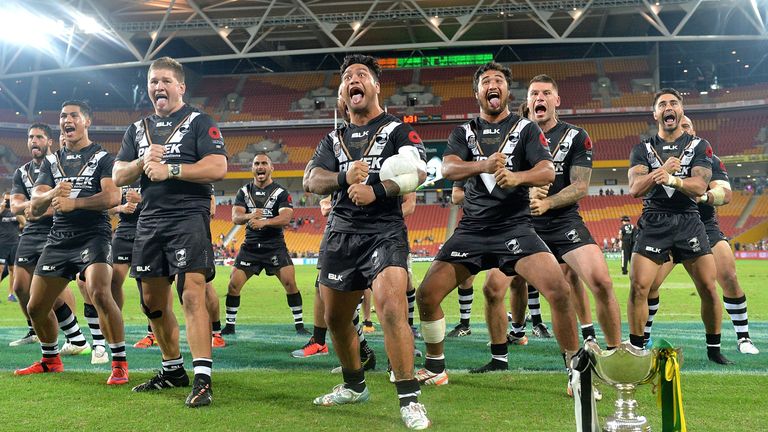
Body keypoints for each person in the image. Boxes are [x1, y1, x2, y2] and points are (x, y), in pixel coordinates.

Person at [415, 62, 580, 382]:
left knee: (559, 290)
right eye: (486, 81)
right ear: (476, 92)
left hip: (515, 228)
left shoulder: (526, 129)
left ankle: (575, 370)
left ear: (507, 91)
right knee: (427, 295)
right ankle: (436, 368)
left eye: (499, 81)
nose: (493, 85)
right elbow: (447, 170)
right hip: (472, 229)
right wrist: (484, 165)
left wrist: (516, 177)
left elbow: (547, 171)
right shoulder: (464, 131)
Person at [303, 54, 430, 430]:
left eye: (361, 75)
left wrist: (377, 190)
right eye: (346, 77)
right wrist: (344, 177)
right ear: (343, 92)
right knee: (336, 317)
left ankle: (409, 398)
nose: (352, 80)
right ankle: (354, 385)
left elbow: (418, 171)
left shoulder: (397, 130)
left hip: (384, 229)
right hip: (340, 233)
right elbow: (311, 180)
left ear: (376, 86)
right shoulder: (333, 138)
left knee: (391, 305)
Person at [113, 56, 227, 407]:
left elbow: (218, 166)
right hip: (148, 221)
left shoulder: (198, 121)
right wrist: (141, 162)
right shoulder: (137, 129)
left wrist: (171, 168)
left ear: (181, 87)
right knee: (152, 303)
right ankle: (173, 369)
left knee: (192, 295)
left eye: (165, 81)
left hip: (187, 216)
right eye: (153, 82)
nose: (158, 87)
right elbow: (118, 175)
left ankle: (203, 379)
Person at [15, 101, 126, 384]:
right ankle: (51, 360)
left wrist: (73, 203)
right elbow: (36, 206)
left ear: (86, 121)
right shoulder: (52, 163)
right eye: (63, 116)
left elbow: (112, 198)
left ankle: (119, 362)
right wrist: (52, 192)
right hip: (58, 238)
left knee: (100, 292)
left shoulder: (103, 157)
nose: (67, 120)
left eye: (74, 115)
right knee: (36, 307)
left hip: (94, 234)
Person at [627, 88, 731, 365]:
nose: (668, 107)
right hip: (654, 219)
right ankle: (637, 349)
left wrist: (672, 179)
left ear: (681, 110)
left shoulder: (699, 146)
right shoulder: (642, 149)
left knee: (708, 287)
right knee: (639, 286)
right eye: (662, 104)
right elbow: (635, 188)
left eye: (674, 103)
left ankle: (714, 349)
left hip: (689, 220)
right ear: (655, 114)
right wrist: (659, 173)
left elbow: (699, 186)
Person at [643, 116, 758, 355]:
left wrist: (704, 197)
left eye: (687, 127)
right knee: (650, 283)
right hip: (667, 227)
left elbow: (725, 194)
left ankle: (743, 338)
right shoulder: (657, 158)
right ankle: (643, 339)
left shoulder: (709, 158)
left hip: (703, 224)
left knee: (728, 275)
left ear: (693, 132)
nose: (682, 130)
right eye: (679, 127)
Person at [523, 74, 621, 348]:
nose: (539, 98)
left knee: (601, 282)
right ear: (528, 101)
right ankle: (507, 345)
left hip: (563, 220)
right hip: (522, 224)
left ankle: (614, 352)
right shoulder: (515, 135)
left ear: (556, 100)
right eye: (533, 94)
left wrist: (548, 202)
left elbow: (580, 186)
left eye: (545, 93)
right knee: (495, 287)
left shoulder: (576, 136)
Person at [222, 153, 308, 336]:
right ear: (252, 168)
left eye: (264, 163)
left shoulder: (281, 193)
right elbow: (236, 217)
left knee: (290, 283)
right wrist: (250, 216)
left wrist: (265, 222)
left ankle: (300, 325)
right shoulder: (243, 192)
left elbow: (286, 217)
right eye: (256, 163)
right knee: (233, 286)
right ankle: (229, 326)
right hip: (250, 247)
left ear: (271, 168)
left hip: (274, 246)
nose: (260, 167)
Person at [1, 191, 22, 302]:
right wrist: (2, 208)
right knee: (0, 270)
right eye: (6, 200)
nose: (8, 202)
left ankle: (11, 295)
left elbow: (24, 224)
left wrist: (16, 211)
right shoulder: (1, 211)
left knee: (13, 271)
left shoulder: (16, 212)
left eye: (10, 200)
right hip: (2, 244)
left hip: (14, 244)